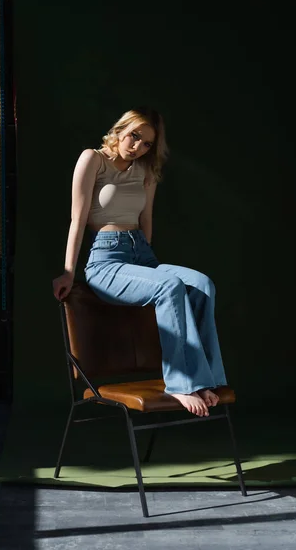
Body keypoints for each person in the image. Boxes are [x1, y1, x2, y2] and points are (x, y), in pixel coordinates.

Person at [52, 107, 228, 417]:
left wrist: (146, 262)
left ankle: (204, 379)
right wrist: (68, 271)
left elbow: (146, 221)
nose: (138, 147)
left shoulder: (146, 171)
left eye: (146, 143)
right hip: (105, 261)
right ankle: (180, 383)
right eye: (135, 137)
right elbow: (77, 220)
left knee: (202, 284)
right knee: (169, 286)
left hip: (141, 255)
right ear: (120, 129)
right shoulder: (92, 159)